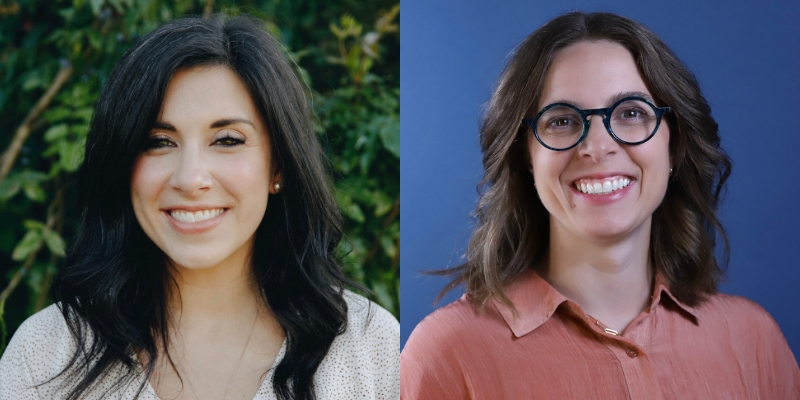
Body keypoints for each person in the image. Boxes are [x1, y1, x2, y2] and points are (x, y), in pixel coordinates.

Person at [401, 11, 799, 399]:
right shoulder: (447, 355)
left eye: (630, 113)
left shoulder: (753, 340)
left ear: (674, 144)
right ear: (526, 154)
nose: (596, 146)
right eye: (561, 120)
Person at [0, 15, 399, 400]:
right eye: (158, 141)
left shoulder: (371, 348)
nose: (190, 179)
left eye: (227, 140)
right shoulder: (44, 355)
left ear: (279, 165)